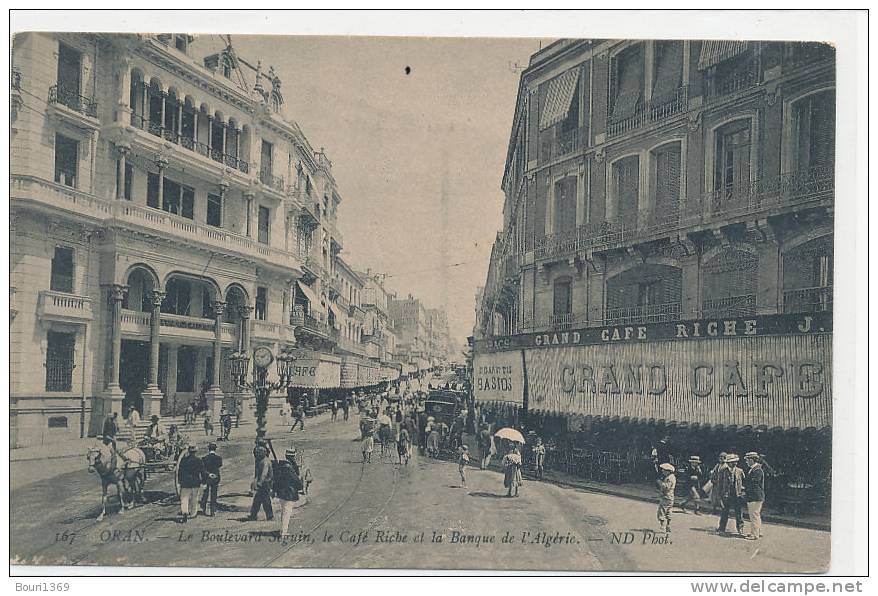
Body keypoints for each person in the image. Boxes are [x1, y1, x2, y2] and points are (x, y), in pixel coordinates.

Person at [274, 448, 304, 541]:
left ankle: (283, 530)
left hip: (282, 493)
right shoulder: (289, 468)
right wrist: (300, 486)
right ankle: (283, 532)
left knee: (284, 512)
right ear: (292, 457)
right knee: (287, 513)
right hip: (288, 493)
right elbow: (297, 481)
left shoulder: (281, 466)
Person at [717, 453, 746, 536]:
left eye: (735, 462)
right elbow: (720, 484)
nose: (734, 463)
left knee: (739, 512)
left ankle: (740, 528)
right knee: (724, 512)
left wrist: (742, 491)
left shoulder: (740, 471)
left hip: (737, 495)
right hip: (726, 495)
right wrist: (720, 496)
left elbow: (744, 482)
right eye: (732, 462)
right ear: (728, 463)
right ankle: (721, 528)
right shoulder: (722, 471)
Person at [177, 445, 203, 523]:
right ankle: (193, 513)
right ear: (195, 452)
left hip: (185, 483)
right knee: (194, 498)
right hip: (195, 482)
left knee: (184, 499)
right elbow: (202, 472)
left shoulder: (183, 460)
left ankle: (185, 512)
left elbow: (180, 472)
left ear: (188, 451)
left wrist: (180, 481)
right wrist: (204, 481)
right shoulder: (198, 460)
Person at [743, 452, 765, 540]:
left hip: (755, 496)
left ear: (752, 460)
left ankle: (754, 534)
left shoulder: (757, 470)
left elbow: (754, 484)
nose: (746, 462)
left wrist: (745, 490)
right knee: (756, 515)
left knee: (754, 515)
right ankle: (757, 532)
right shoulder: (754, 469)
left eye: (747, 460)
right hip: (755, 496)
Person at [249, 445, 274, 521]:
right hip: (263, 483)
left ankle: (269, 515)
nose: (256, 454)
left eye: (258, 453)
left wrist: (259, 483)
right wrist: (254, 483)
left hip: (266, 483)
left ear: (263, 453)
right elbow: (257, 474)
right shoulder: (259, 461)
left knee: (264, 500)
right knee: (259, 500)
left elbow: (264, 474)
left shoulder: (265, 462)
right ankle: (254, 515)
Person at [199, 442, 222, 516]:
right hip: (215, 477)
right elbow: (219, 466)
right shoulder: (218, 458)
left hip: (207, 477)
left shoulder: (204, 458)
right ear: (215, 449)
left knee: (206, 493)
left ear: (208, 449)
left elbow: (203, 469)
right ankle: (213, 511)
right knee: (214, 494)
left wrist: (209, 474)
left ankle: (204, 508)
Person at [657, 462, 677, 533]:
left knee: (662, 511)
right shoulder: (672, 477)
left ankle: (662, 526)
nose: (662, 471)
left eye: (664, 470)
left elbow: (666, 487)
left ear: (668, 471)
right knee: (669, 511)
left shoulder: (669, 478)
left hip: (666, 497)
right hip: (670, 497)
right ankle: (668, 525)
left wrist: (660, 482)